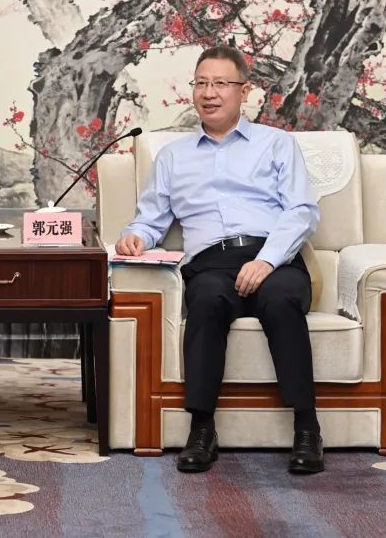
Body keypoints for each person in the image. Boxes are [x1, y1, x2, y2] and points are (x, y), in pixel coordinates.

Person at [116, 46, 323, 474]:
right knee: (207, 300)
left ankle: (307, 428)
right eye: (201, 83)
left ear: (244, 91)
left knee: (281, 300)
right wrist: (134, 237)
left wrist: (266, 261)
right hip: (210, 264)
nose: (209, 93)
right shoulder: (173, 156)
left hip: (274, 259)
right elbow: (151, 219)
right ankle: (202, 430)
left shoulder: (276, 143)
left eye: (220, 84)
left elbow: (302, 210)